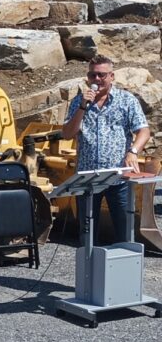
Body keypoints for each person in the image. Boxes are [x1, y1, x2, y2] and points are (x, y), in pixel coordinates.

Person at [61, 54, 150, 244]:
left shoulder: (126, 101)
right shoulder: (79, 102)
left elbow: (143, 131)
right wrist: (82, 108)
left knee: (125, 232)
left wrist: (133, 151)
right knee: (87, 236)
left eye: (102, 75)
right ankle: (90, 271)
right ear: (88, 77)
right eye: (93, 75)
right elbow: (68, 134)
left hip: (118, 178)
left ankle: (124, 270)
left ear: (112, 76)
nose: (97, 80)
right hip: (88, 179)